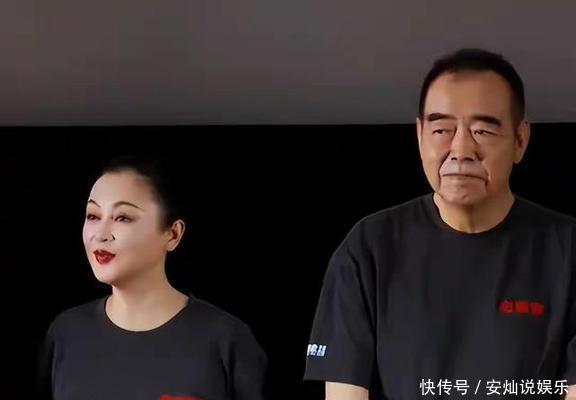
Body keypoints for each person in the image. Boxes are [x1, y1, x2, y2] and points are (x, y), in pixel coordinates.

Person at [303, 48, 576, 399]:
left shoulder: (567, 249)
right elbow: (345, 391)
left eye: (483, 131)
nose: (461, 150)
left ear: (519, 140)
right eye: (442, 129)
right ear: (420, 135)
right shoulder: (369, 248)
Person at [36, 154, 269, 400]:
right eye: (93, 216)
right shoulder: (65, 334)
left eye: (123, 217)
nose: (100, 234)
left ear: (173, 234)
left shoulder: (227, 340)